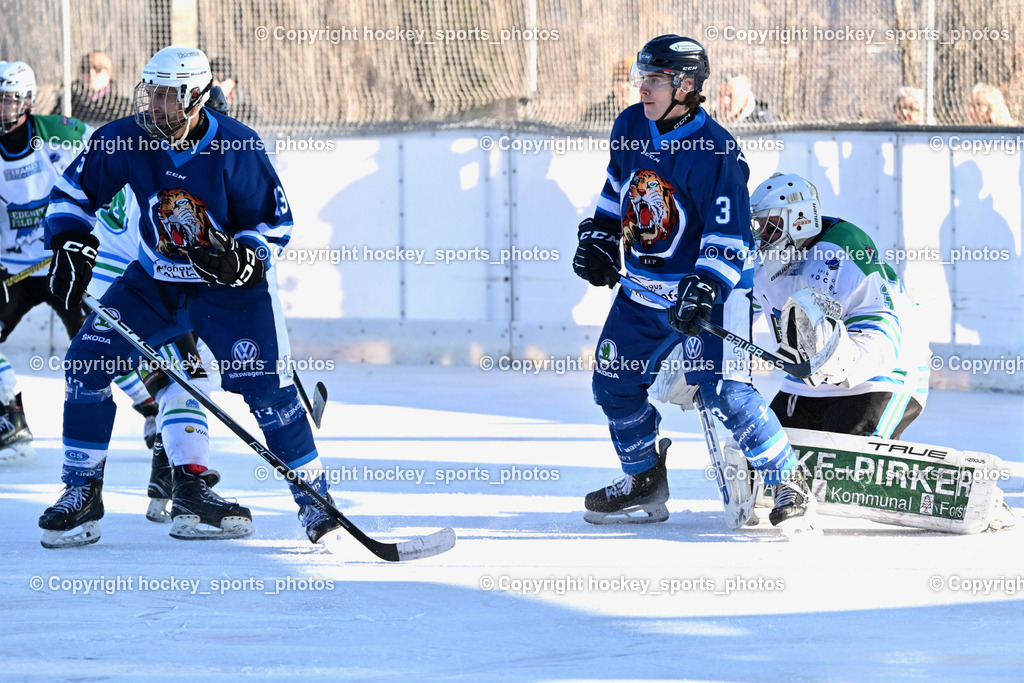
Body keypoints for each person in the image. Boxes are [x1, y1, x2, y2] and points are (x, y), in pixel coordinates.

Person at [38, 46, 337, 548]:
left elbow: (275, 222)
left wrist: (247, 256)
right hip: (153, 282)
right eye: (150, 92)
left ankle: (315, 500)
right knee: (86, 363)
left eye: (168, 96)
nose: (155, 105)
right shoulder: (126, 139)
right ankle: (82, 492)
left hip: (228, 292)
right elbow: (71, 195)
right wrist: (68, 239)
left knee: (266, 390)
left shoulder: (237, 147)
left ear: (196, 96)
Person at [571, 35, 812, 533]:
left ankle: (788, 480)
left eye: (655, 80)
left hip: (710, 289)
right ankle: (644, 481)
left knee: (725, 390)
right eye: (643, 79)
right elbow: (618, 191)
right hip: (642, 288)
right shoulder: (630, 125)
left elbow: (731, 236)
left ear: (685, 85)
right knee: (613, 386)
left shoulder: (716, 151)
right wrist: (598, 237)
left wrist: (703, 287)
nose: (645, 89)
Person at [749, 173, 930, 437]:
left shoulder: (844, 247)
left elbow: (883, 323)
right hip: (807, 381)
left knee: (847, 457)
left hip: (881, 375)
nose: (762, 235)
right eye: (759, 225)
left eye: (771, 225)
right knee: (767, 456)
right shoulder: (763, 260)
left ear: (799, 219)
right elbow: (737, 308)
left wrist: (844, 361)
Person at [51, 51, 132, 128]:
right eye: (85, 69)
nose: (91, 73)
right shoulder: (66, 103)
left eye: (98, 69)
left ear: (108, 73)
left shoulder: (124, 106)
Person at [584, 58, 637, 126]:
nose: (623, 86)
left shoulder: (650, 112)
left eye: (629, 80)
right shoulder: (597, 113)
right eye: (619, 80)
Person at [209, 56, 261, 125]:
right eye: (212, 79)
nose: (214, 83)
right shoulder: (203, 109)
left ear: (232, 81)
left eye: (220, 79)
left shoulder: (247, 112)